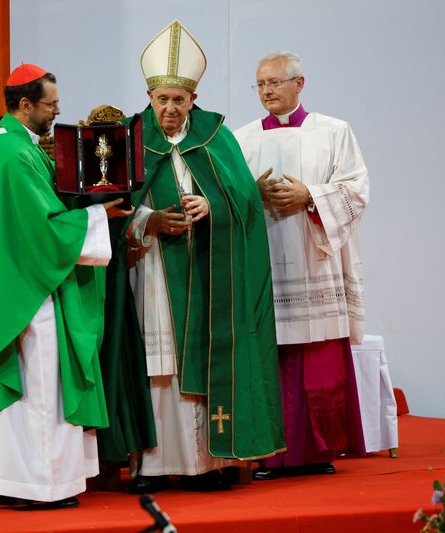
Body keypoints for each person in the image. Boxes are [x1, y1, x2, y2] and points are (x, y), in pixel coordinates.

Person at [0, 63, 133, 510]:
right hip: (30, 293)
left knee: (23, 389)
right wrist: (97, 216)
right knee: (41, 387)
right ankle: (39, 486)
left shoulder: (13, 148)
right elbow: (42, 231)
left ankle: (5, 478)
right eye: (50, 105)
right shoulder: (12, 155)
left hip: (15, 285)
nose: (57, 112)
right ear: (25, 104)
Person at [126, 20, 285, 494]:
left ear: (193, 98)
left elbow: (245, 199)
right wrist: (146, 221)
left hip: (209, 270)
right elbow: (111, 207)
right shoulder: (132, 137)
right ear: (149, 99)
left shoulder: (217, 136)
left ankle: (205, 465)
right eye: (162, 100)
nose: (171, 109)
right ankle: (150, 466)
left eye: (179, 99)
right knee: (159, 365)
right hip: (154, 271)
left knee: (203, 359)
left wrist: (213, 205)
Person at [234, 51, 368, 479]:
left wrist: (309, 196)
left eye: (275, 82)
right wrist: (251, 194)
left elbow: (356, 188)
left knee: (317, 356)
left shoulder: (334, 131)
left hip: (314, 259)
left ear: (299, 83)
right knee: (268, 356)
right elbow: (229, 196)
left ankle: (317, 451)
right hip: (265, 259)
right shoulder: (241, 139)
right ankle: (270, 453)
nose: (267, 91)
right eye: (260, 84)